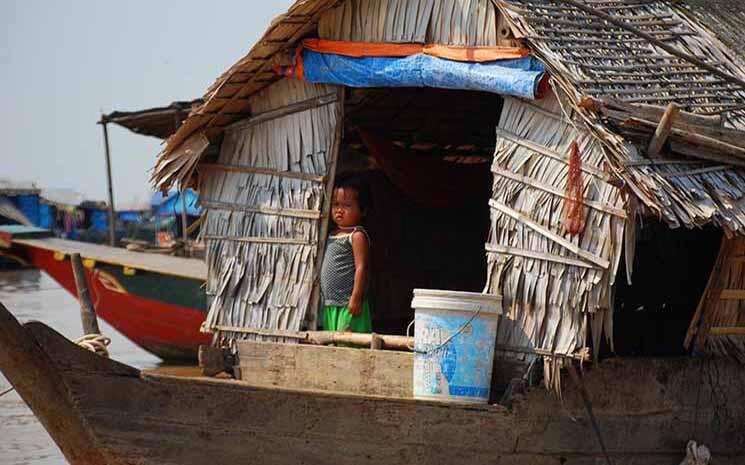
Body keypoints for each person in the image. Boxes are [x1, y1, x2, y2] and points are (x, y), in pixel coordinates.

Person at [320, 176, 372, 333]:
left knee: (349, 344)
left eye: (347, 205)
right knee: (332, 342)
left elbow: (361, 267)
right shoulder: (330, 233)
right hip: (330, 304)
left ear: (362, 210)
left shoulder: (356, 235)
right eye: (336, 204)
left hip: (348, 304)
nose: (339, 210)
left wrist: (356, 298)